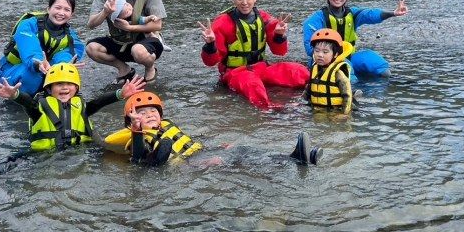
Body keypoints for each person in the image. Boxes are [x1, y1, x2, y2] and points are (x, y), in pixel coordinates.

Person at [0, 63, 145, 193]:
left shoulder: (82, 106)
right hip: (42, 154)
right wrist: (15, 95)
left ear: (76, 87)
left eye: (69, 84)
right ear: (49, 89)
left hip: (81, 151)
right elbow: (28, 103)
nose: (64, 88)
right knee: (9, 163)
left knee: (117, 154)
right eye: (58, 84)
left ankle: (146, 159)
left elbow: (99, 103)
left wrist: (120, 94)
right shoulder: (40, 107)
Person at [104, 91, 322, 166]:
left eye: (153, 111)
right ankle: (292, 162)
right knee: (235, 163)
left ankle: (291, 158)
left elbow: (188, 141)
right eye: (142, 113)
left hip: (201, 152)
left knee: (241, 150)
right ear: (132, 120)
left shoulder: (167, 126)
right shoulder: (135, 138)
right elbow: (140, 157)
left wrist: (215, 146)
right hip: (189, 165)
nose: (149, 115)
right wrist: (135, 129)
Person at [199, 0, 310, 108]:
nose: (244, 2)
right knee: (253, 85)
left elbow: (279, 52)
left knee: (297, 70)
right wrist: (210, 45)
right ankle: (270, 110)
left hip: (261, 68)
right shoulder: (221, 23)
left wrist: (279, 35)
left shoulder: (264, 18)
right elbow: (210, 62)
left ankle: (318, 86)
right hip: (235, 72)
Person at [86, 0, 167, 85]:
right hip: (119, 41)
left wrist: (130, 28)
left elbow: (157, 25)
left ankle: (150, 67)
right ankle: (124, 69)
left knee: (138, 51)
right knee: (91, 48)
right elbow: (91, 24)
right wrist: (105, 12)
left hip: (146, 41)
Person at [303, 0, 408, 78]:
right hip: (325, 60)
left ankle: (396, 84)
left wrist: (393, 13)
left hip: (350, 56)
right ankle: (352, 90)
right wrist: (328, 57)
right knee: (347, 70)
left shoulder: (352, 13)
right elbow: (310, 49)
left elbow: (371, 14)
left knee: (378, 66)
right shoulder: (315, 19)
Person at [0, 0, 86, 96]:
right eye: (57, 8)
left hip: (44, 71)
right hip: (14, 72)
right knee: (33, 74)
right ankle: (21, 99)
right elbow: (30, 50)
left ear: (71, 14)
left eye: (67, 10)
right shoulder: (27, 25)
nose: (61, 13)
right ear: (49, 9)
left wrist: (63, 65)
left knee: (67, 72)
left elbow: (72, 51)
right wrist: (39, 63)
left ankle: (48, 96)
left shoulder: (70, 35)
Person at [303, 29, 355, 115]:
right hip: (317, 110)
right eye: (317, 50)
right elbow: (308, 90)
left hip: (335, 111)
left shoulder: (338, 73)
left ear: (335, 54)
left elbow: (347, 96)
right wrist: (300, 103)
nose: (320, 55)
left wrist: (344, 114)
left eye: (325, 52)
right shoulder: (314, 69)